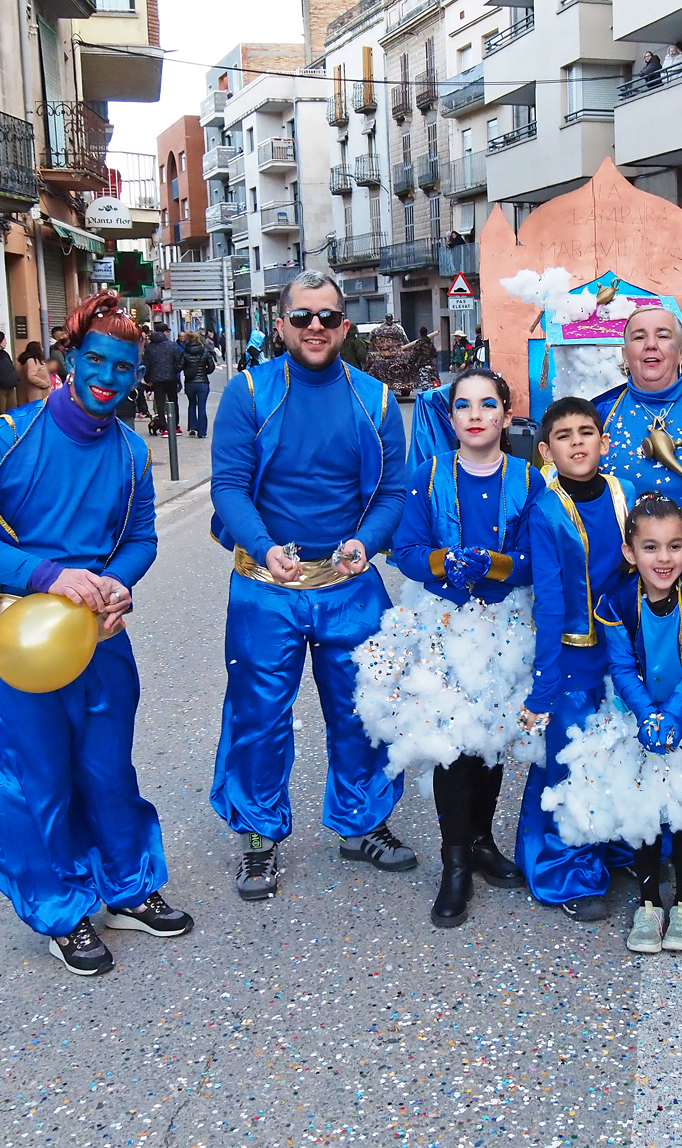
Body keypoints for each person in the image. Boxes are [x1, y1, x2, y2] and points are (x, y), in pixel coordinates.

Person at [0, 291, 192, 976]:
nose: (107, 377)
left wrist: (120, 583)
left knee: (108, 772)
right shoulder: (2, 438)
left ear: (138, 375)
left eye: (123, 368)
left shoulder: (133, 452)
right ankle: (61, 910)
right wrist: (47, 573)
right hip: (21, 651)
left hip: (102, 644)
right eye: (95, 361)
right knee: (36, 781)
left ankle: (129, 885)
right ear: (65, 362)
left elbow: (140, 539)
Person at [209, 271, 411, 902]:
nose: (315, 327)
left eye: (327, 317)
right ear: (282, 325)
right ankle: (259, 838)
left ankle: (361, 823)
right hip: (265, 587)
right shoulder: (248, 392)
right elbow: (228, 487)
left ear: (346, 327)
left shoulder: (374, 399)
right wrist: (266, 547)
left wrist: (365, 543)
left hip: (349, 586)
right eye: (302, 317)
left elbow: (392, 492)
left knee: (361, 711)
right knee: (259, 716)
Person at [372, 367, 538, 926]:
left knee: (489, 740)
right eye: (463, 405)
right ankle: (455, 861)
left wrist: (496, 565)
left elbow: (539, 556)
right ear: (450, 418)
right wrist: (445, 563)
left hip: (505, 624)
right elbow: (406, 549)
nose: (475, 415)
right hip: (444, 624)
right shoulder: (428, 474)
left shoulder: (530, 478)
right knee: (452, 743)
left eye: (487, 404)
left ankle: (484, 840)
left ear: (506, 416)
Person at [542, 493, 682, 953]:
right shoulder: (619, 601)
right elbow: (622, 667)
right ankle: (649, 904)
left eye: (674, 546)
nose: (663, 558)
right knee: (643, 810)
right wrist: (647, 716)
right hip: (636, 718)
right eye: (650, 547)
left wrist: (675, 714)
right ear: (630, 553)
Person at [516, 397, 637, 921]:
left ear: (604, 442)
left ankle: (616, 844)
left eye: (587, 432)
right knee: (570, 765)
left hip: (621, 652)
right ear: (546, 451)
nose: (577, 442)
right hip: (571, 657)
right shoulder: (544, 512)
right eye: (563, 436)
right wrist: (543, 687)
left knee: (618, 752)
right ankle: (565, 870)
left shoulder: (622, 492)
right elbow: (548, 602)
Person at [592, 305, 682, 566]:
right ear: (625, 354)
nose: (651, 344)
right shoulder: (597, 413)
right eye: (639, 337)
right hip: (619, 572)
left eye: (663, 335)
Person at [142, 324, 182, 433]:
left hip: (156, 379)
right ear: (165, 332)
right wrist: (176, 372)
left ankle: (163, 427)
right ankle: (175, 424)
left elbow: (147, 364)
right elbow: (178, 361)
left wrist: (147, 379)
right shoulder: (172, 345)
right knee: (173, 401)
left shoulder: (150, 347)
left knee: (160, 403)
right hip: (171, 378)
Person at [180, 330, 216, 438]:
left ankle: (192, 427)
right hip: (203, 383)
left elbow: (178, 366)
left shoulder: (185, 352)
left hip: (190, 383)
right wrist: (205, 372)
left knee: (191, 404)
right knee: (202, 406)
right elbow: (211, 366)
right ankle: (202, 432)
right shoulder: (204, 351)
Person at [365, 314, 410, 391]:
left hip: (384, 356)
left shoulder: (379, 330)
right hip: (394, 355)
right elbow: (406, 342)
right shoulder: (397, 329)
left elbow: (371, 343)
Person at [405, 326, 440, 394]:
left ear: (420, 333)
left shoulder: (419, 343)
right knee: (436, 382)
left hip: (423, 365)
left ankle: (426, 398)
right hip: (431, 365)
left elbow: (414, 354)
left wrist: (410, 363)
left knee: (424, 384)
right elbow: (435, 353)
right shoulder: (430, 343)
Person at [17, 341, 52, 405]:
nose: (42, 349)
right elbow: (31, 376)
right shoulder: (31, 361)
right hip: (37, 394)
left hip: (43, 393)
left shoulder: (38, 361)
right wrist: (44, 384)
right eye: (41, 347)